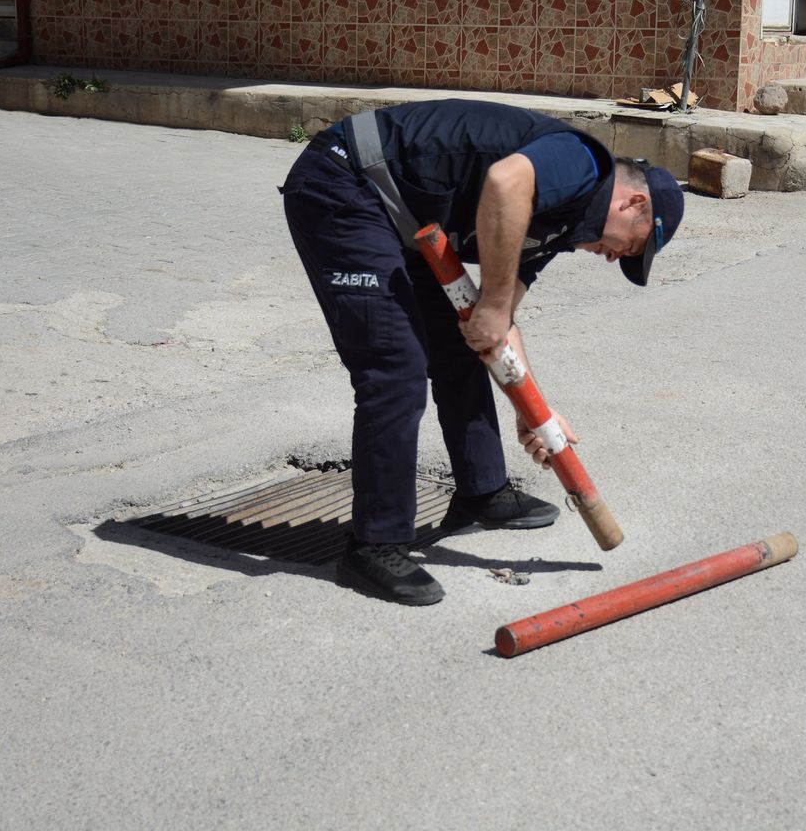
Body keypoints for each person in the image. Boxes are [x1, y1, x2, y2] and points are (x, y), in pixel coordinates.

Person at [279, 99, 683, 606]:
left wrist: (532, 413)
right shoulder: (581, 163)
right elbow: (503, 182)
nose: (617, 258)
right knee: (395, 368)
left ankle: (481, 492)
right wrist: (489, 305)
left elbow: (498, 324)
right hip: (346, 181)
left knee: (463, 343)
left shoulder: (561, 226)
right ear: (634, 205)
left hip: (405, 221)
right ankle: (374, 542)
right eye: (634, 247)